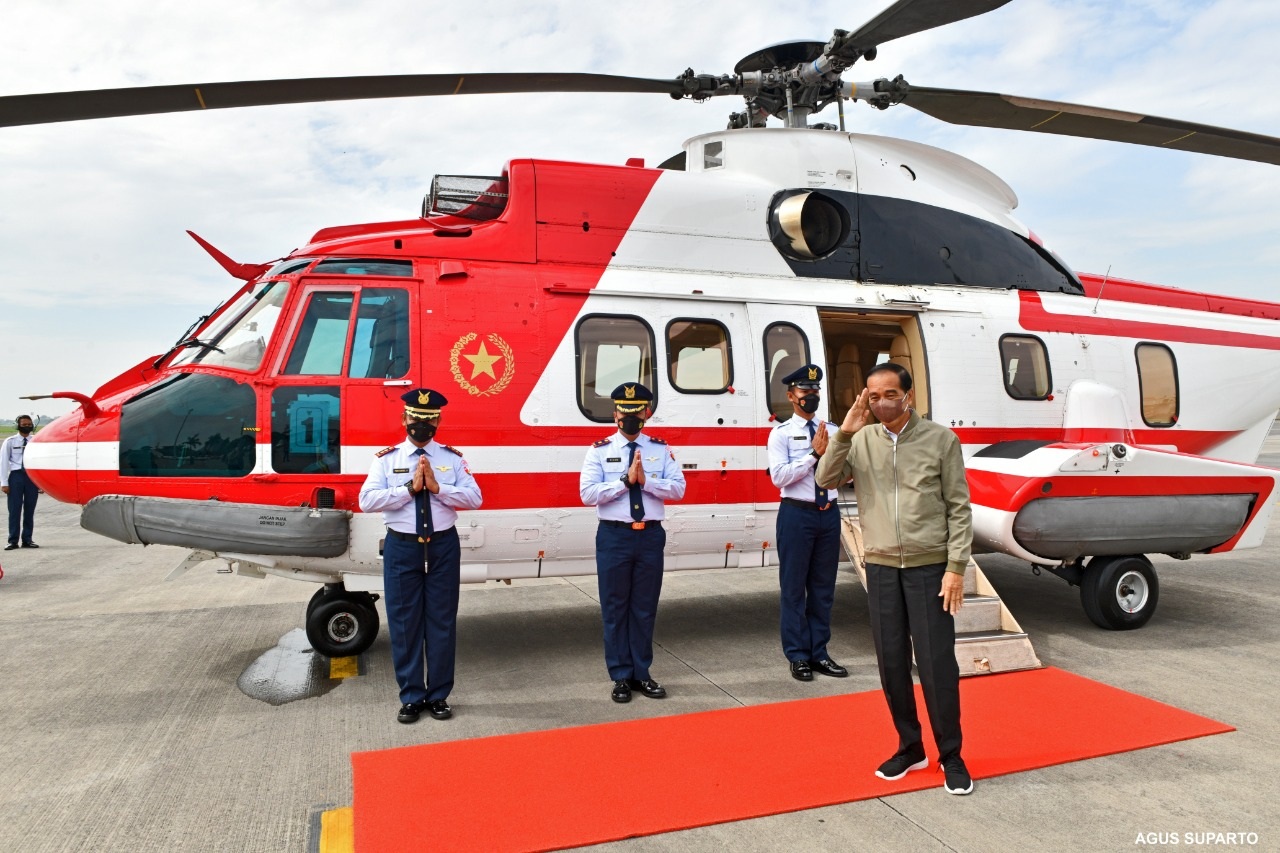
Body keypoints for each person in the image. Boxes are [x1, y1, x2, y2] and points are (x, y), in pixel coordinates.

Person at [815, 363, 975, 795]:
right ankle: (910, 746)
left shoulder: (941, 440)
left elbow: (959, 508)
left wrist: (956, 568)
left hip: (929, 568)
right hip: (882, 564)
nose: (880, 402)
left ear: (909, 396)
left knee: (937, 663)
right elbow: (824, 479)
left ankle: (951, 755)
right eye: (872, 395)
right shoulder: (862, 439)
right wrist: (845, 432)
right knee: (891, 663)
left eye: (889, 394)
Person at [359, 388, 482, 724]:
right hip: (402, 546)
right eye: (416, 418)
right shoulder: (386, 460)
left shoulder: (452, 459)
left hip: (442, 545)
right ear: (404, 419)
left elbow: (475, 498)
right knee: (404, 623)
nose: (422, 425)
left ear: (438, 421)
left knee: (441, 622)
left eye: (429, 419)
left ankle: (439, 695)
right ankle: (412, 696)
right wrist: (409, 490)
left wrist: (440, 489)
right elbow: (366, 501)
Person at [580, 383, 686, 703]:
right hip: (615, 536)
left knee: (644, 609)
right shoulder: (599, 450)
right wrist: (624, 482)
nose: (630, 418)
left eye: (637, 413)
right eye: (624, 413)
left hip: (650, 535)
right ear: (615, 415)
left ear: (646, 414)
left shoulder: (659, 449)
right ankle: (621, 676)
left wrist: (647, 482)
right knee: (615, 609)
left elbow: (678, 489)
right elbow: (587, 494)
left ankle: (643, 673)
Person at [767, 364, 848, 682]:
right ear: (791, 396)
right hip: (797, 514)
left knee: (823, 588)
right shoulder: (781, 434)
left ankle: (819, 653)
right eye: (804, 391)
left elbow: (845, 465)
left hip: (828, 513)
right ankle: (798, 655)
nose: (811, 396)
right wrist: (813, 456)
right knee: (793, 589)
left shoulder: (834, 429)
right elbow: (779, 477)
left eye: (815, 391)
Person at [2, 416, 40, 550]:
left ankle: (27, 539)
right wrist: (4, 483)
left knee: (30, 510)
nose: (27, 426)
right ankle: (12, 540)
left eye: (29, 424)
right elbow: (3, 463)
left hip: (31, 478)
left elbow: (38, 461)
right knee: (14, 510)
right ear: (18, 425)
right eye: (24, 424)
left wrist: (40, 482)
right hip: (16, 477)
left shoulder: (36, 441)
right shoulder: (10, 441)